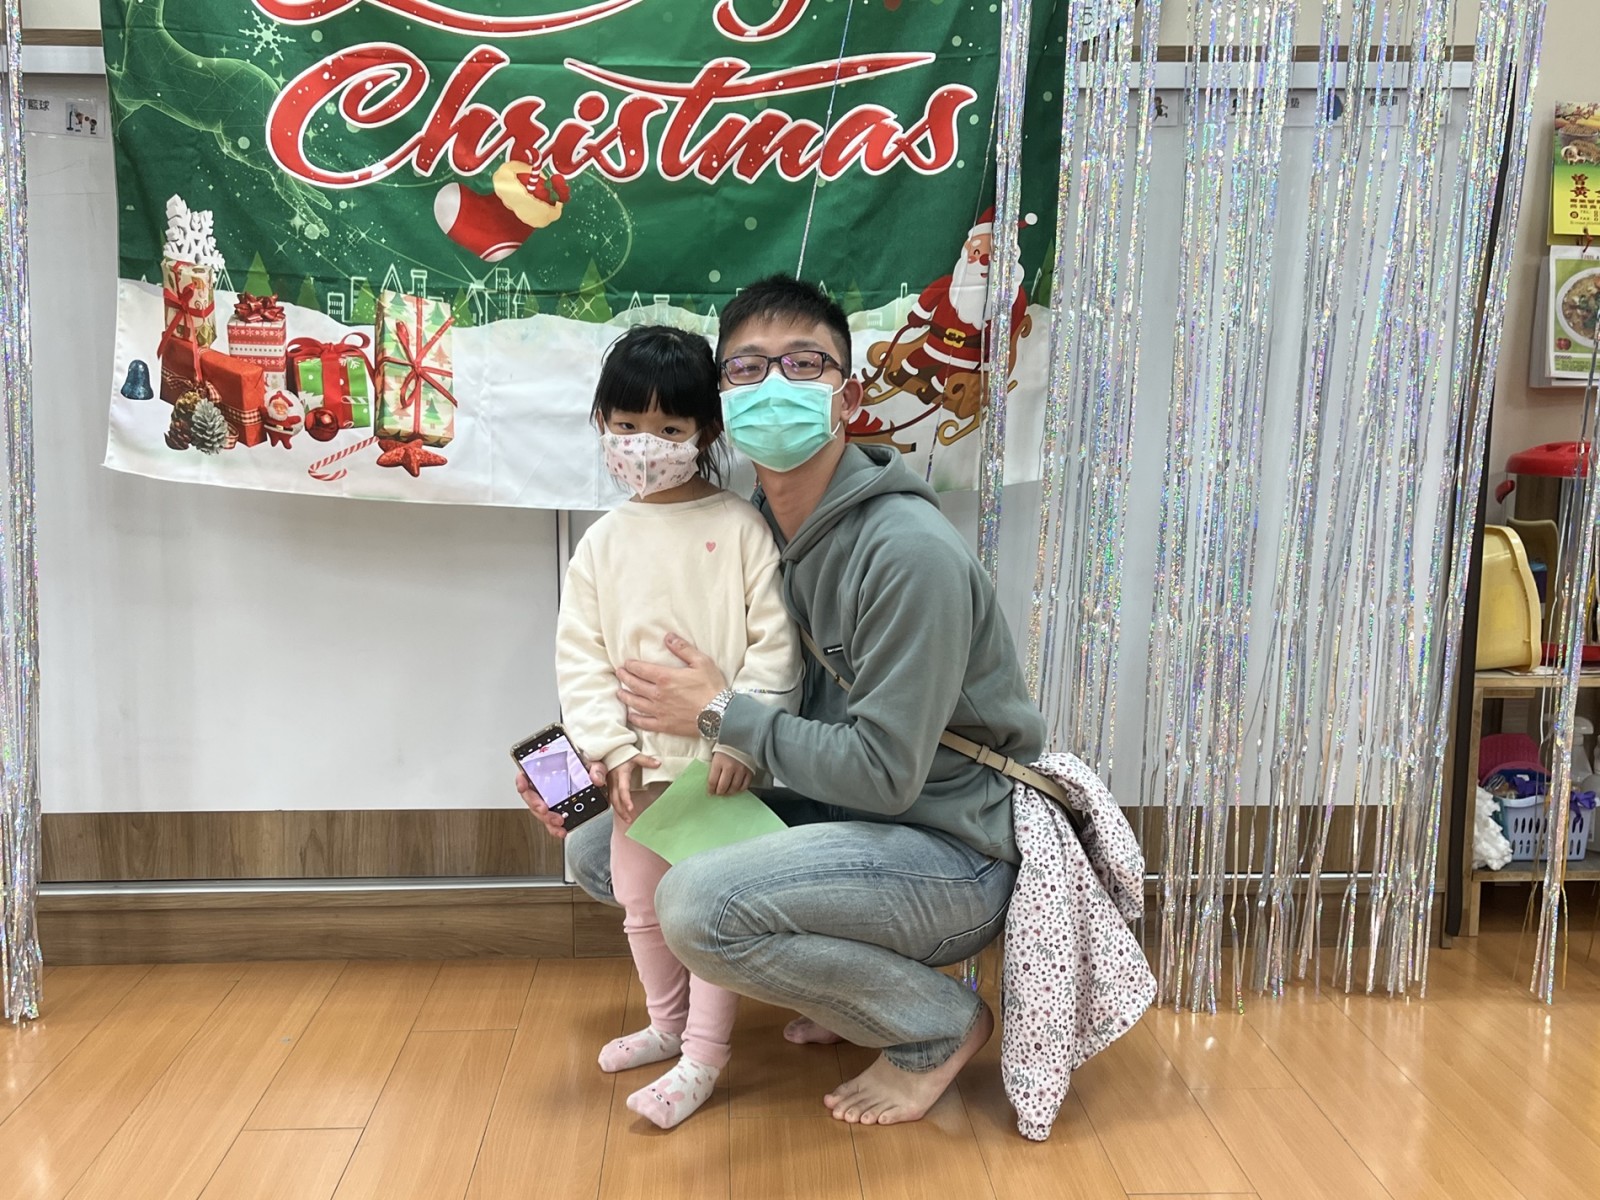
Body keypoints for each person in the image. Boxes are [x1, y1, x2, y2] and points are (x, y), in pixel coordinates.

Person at [518, 277, 1044, 1127]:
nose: (773, 384)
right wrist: (581, 766)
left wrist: (720, 715)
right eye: (747, 367)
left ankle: (934, 1024)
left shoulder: (907, 554)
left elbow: (882, 773)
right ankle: (849, 993)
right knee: (596, 844)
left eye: (803, 364)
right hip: (839, 810)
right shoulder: (752, 520)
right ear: (723, 400)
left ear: (849, 396)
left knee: (695, 901)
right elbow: (622, 660)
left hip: (948, 845)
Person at [551, 325, 801, 1129]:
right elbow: (581, 658)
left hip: (716, 771)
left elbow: (774, 646)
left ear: (705, 431)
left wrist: (741, 736)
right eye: (626, 425)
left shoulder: (741, 529)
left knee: (706, 912)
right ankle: (667, 1024)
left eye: (667, 428)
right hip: (638, 772)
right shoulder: (602, 543)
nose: (644, 445)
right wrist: (609, 747)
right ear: (602, 424)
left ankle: (704, 1054)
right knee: (641, 902)